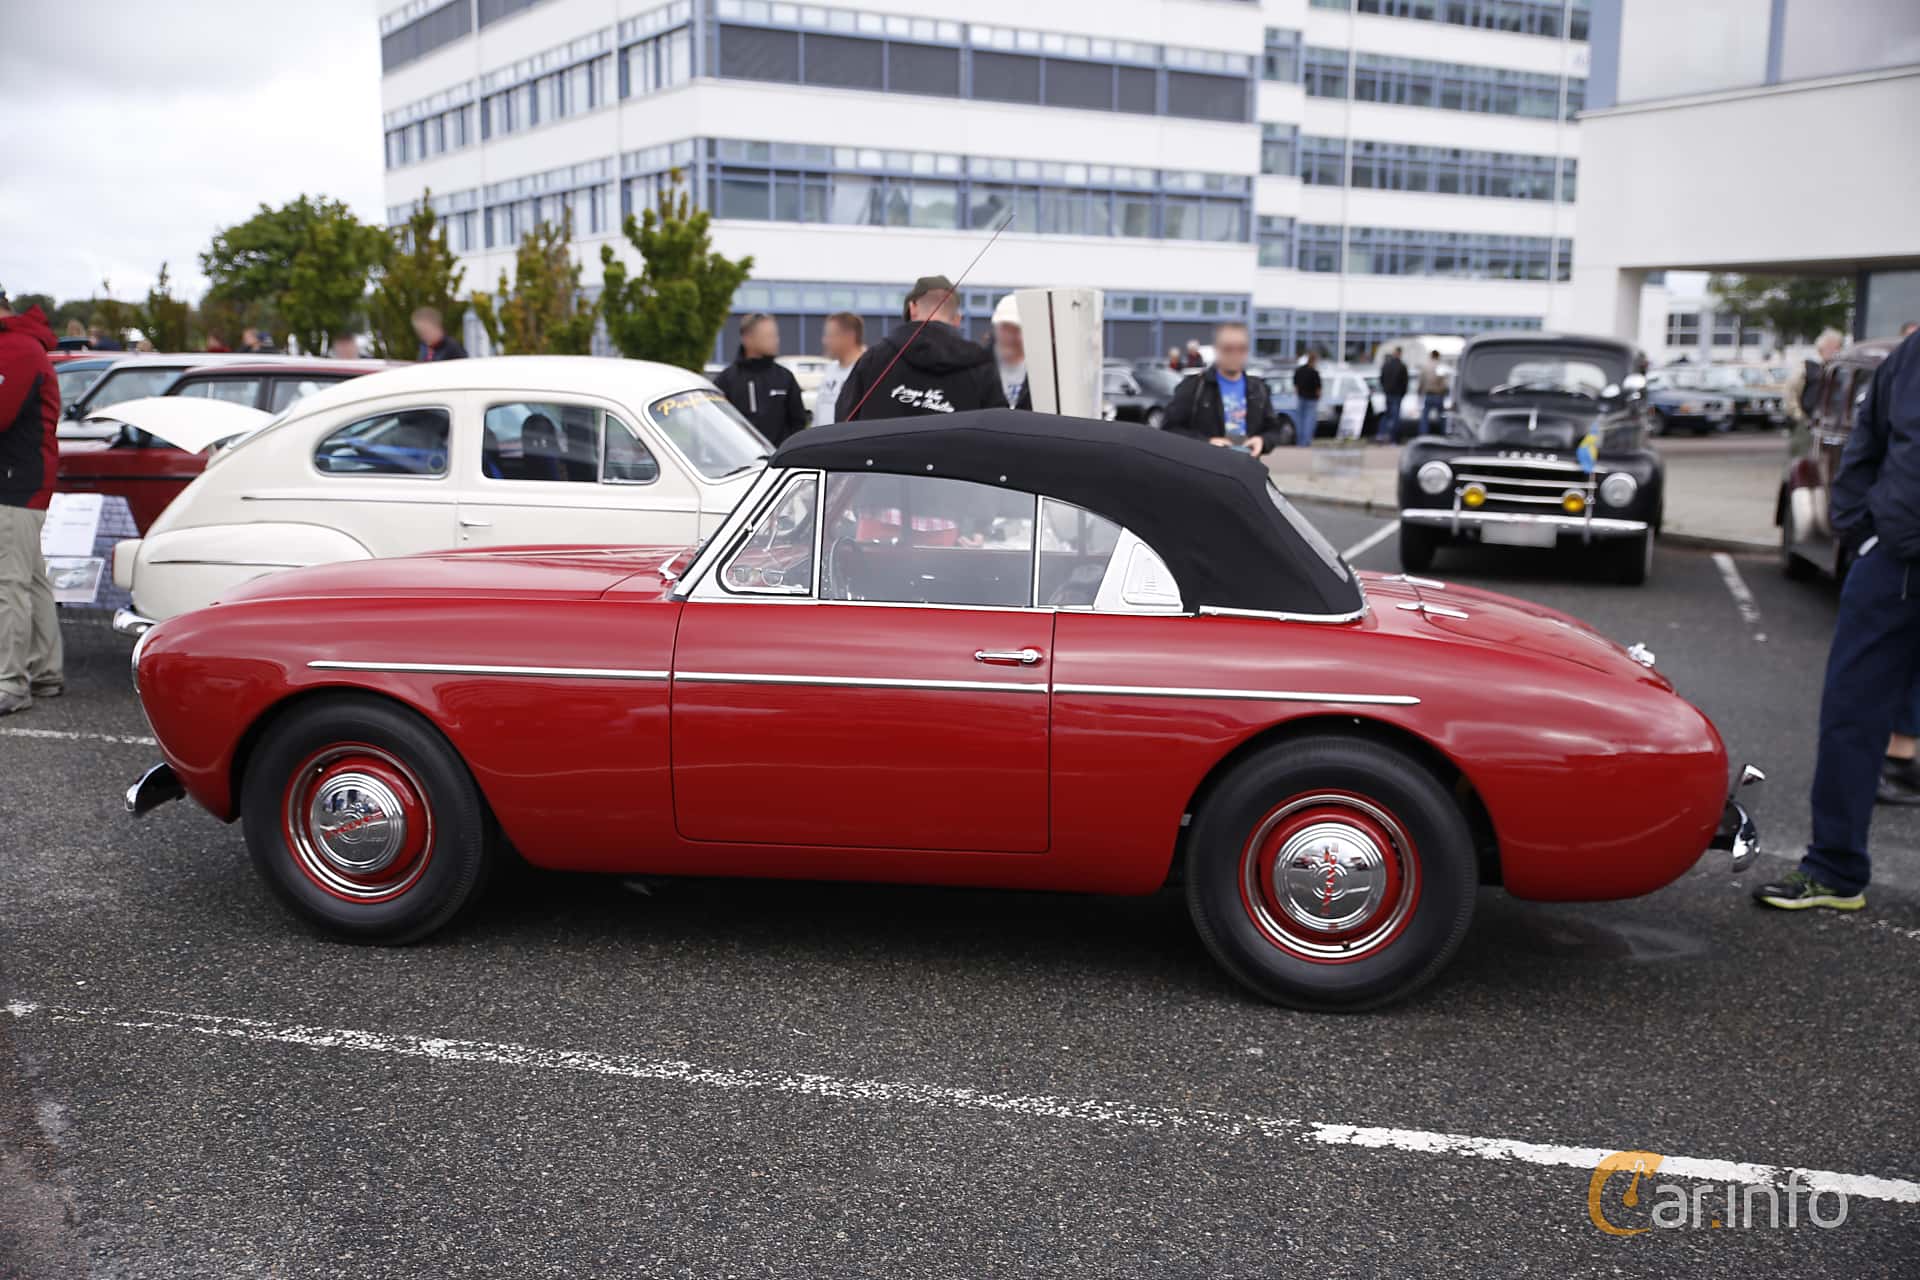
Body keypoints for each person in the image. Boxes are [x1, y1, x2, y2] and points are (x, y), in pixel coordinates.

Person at [1754, 326, 1920, 910]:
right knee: (1850, 714)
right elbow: (1865, 445)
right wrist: (1862, 532)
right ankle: (1834, 869)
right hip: (1891, 566)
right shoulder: (1910, 356)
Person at [0, 290, 64, 715]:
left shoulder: (17, 348)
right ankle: (43, 672)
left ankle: (9, 683)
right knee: (30, 579)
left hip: (15, 483)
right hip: (23, 480)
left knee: (9, 583)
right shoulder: (21, 344)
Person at [833, 275, 1006, 422]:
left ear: (912, 308)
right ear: (957, 319)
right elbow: (1000, 431)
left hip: (878, 461)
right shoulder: (980, 365)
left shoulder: (874, 360)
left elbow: (843, 423)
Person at [1162, 321, 1285, 456]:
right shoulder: (1194, 386)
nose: (1235, 354)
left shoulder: (1258, 389)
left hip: (1246, 470)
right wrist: (1206, 443)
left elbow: (1273, 430)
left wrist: (1262, 441)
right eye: (1228, 349)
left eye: (1241, 349)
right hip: (1205, 470)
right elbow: (1170, 430)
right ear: (1216, 349)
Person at [712, 312, 806, 446]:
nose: (776, 340)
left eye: (775, 335)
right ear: (747, 339)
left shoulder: (785, 378)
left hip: (779, 463)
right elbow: (717, 427)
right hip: (742, 464)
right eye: (769, 336)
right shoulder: (726, 381)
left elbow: (798, 424)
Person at [811, 312, 864, 429]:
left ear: (849, 336)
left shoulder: (866, 370)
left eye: (830, 335)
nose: (825, 341)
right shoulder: (830, 370)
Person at [990, 295, 1031, 410]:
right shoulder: (980, 366)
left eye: (1015, 329)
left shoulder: (1040, 370)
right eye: (1005, 328)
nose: (1009, 336)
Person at [1377, 345, 1409, 445]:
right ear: (1400, 353)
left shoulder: (1386, 365)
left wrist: (1385, 390)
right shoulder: (1402, 366)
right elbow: (1405, 382)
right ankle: (1393, 439)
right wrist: (1402, 393)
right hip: (1397, 394)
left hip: (1388, 393)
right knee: (1396, 417)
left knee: (1386, 415)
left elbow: (1381, 379)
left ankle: (1381, 435)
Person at [1291, 351, 1323, 446]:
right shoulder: (1314, 372)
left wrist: (1298, 394)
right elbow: (1318, 389)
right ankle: (1306, 441)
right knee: (1309, 421)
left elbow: (1295, 386)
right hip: (1311, 399)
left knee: (1300, 421)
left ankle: (1300, 441)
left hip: (1301, 398)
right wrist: (1319, 397)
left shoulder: (1299, 370)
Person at [1417, 350, 1449, 435]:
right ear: (1438, 356)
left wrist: (1419, 393)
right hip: (1439, 395)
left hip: (1428, 394)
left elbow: (1421, 381)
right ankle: (1443, 434)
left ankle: (1423, 434)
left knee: (1425, 417)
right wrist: (1444, 392)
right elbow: (1444, 383)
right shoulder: (1440, 366)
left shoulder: (1425, 367)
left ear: (1431, 356)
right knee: (1442, 416)